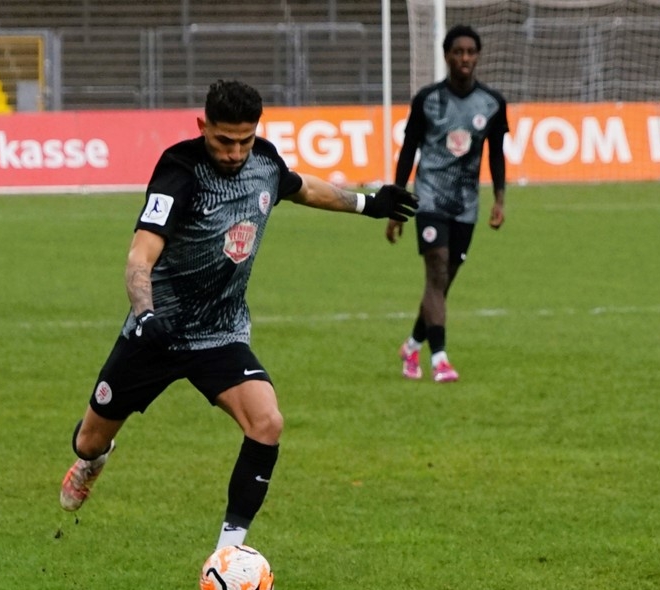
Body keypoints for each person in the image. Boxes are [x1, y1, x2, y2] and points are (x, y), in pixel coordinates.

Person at [60, 79, 417, 550]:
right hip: (158, 332)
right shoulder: (178, 171)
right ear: (202, 126)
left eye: (244, 141)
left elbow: (303, 188)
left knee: (267, 422)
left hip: (221, 334)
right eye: (224, 141)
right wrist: (145, 315)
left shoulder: (264, 162)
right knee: (88, 440)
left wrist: (368, 204)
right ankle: (94, 459)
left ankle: (228, 553)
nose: (234, 153)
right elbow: (139, 257)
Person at [386, 24, 509, 383]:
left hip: (466, 205)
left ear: (478, 56)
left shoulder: (492, 103)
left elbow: (496, 154)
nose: (465, 58)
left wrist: (499, 199)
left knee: (442, 283)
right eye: (458, 52)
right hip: (429, 198)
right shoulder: (427, 99)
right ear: (447, 56)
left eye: (470, 52)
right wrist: (396, 205)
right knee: (436, 271)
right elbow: (408, 151)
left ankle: (412, 345)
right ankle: (439, 358)